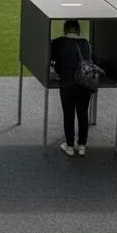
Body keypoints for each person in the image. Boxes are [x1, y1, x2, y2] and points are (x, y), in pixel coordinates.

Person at [50, 19, 93, 156]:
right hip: (84, 83)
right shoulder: (86, 43)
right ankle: (82, 145)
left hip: (67, 84)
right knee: (83, 114)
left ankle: (69, 146)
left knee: (68, 114)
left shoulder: (58, 43)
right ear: (78, 30)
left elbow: (52, 61)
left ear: (65, 30)